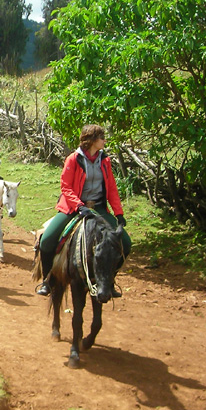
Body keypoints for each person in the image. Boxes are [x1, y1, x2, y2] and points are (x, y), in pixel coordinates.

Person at [35, 124, 132, 297]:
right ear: (93, 140)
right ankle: (48, 281)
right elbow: (66, 186)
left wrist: (119, 213)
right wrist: (79, 206)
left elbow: (111, 188)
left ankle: (109, 282)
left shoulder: (105, 160)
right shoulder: (73, 159)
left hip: (98, 208)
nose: (104, 140)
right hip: (73, 207)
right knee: (47, 241)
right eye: (102, 137)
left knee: (125, 242)